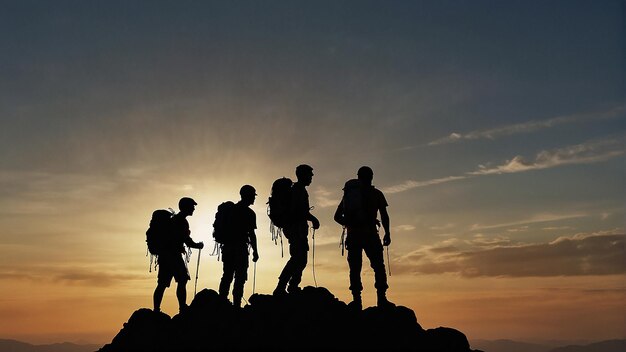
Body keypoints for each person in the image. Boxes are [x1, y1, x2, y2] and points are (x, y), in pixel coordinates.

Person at [334, 166, 393, 309]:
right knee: (378, 266)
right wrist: (387, 233)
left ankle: (356, 301)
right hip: (371, 235)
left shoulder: (349, 196)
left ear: (358, 177)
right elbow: (384, 215)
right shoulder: (376, 194)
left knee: (355, 268)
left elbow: (336, 217)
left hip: (353, 235)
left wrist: (350, 223)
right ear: (371, 176)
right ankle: (382, 299)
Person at [273, 164, 320, 295]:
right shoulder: (299, 190)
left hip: (294, 229)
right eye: (310, 174)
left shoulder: (298, 190)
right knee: (298, 259)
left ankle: (290, 286)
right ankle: (284, 286)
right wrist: (314, 219)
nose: (311, 177)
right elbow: (301, 211)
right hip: (296, 230)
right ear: (302, 175)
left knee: (299, 258)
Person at [153, 197, 204, 314]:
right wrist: (198, 245)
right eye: (192, 206)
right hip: (173, 256)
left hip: (165, 256)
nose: (194, 209)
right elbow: (187, 241)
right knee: (182, 280)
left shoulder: (174, 220)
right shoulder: (181, 221)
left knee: (162, 284)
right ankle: (182, 308)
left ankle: (156, 309)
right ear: (186, 207)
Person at [218, 185, 260, 308]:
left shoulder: (230, 210)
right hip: (240, 248)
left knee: (227, 275)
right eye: (253, 195)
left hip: (227, 248)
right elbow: (252, 234)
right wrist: (255, 251)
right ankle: (236, 305)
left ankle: (222, 302)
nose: (254, 198)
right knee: (240, 277)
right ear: (248, 196)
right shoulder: (249, 213)